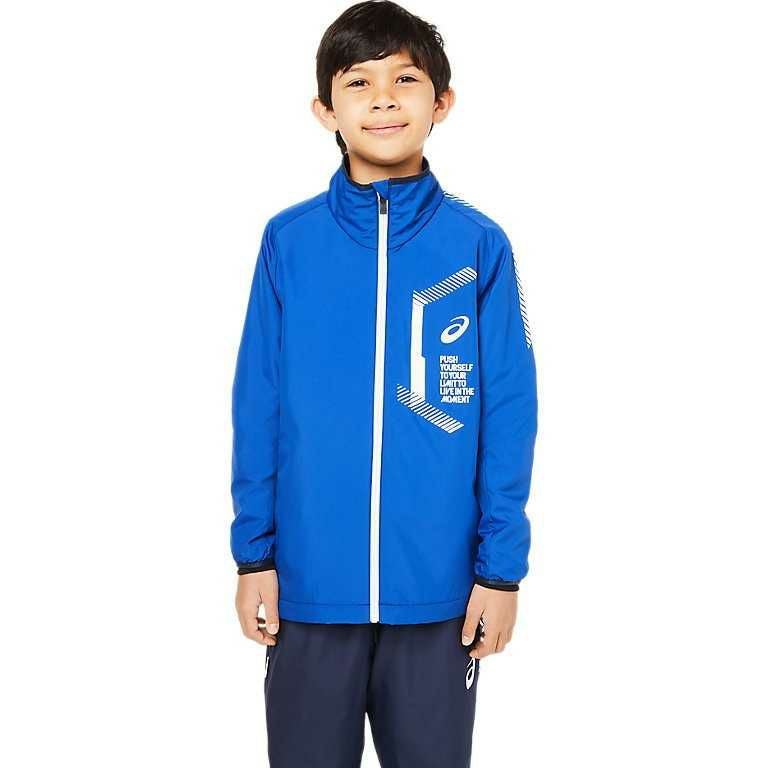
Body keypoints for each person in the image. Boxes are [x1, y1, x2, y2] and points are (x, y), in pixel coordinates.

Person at [230, 1, 538, 765]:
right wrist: (254, 558)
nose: (383, 99)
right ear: (324, 110)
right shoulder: (289, 242)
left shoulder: (478, 245)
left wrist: (500, 572)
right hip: (309, 589)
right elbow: (258, 404)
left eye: (405, 79)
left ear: (442, 102)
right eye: (358, 82)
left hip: (439, 595)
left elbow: (508, 410)